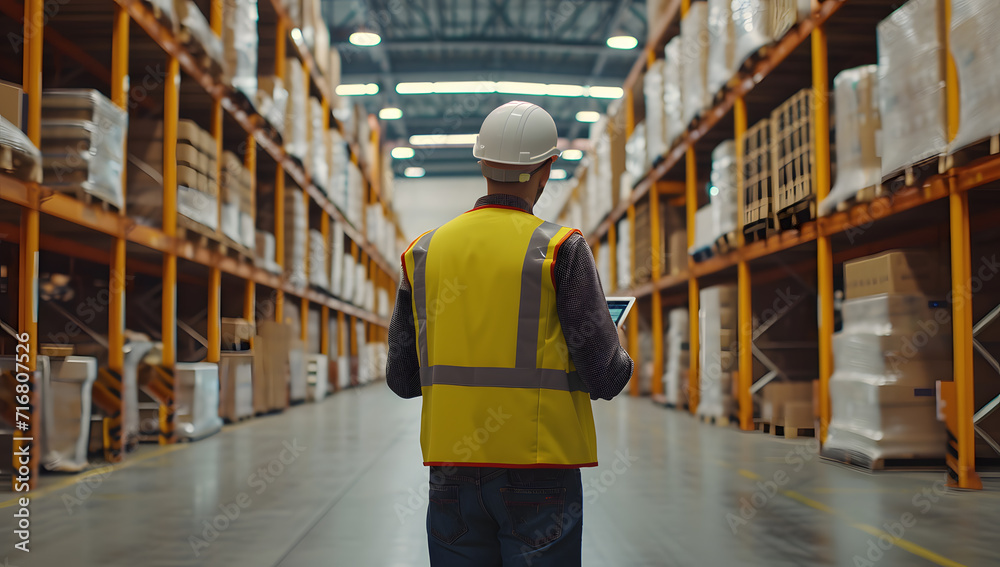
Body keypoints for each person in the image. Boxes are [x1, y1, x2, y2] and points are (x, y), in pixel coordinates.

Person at [386, 101, 634, 567]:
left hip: (451, 472)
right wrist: (618, 346)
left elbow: (402, 379)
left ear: (482, 163)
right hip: (539, 471)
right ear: (546, 169)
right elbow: (605, 377)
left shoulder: (423, 252)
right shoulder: (562, 249)